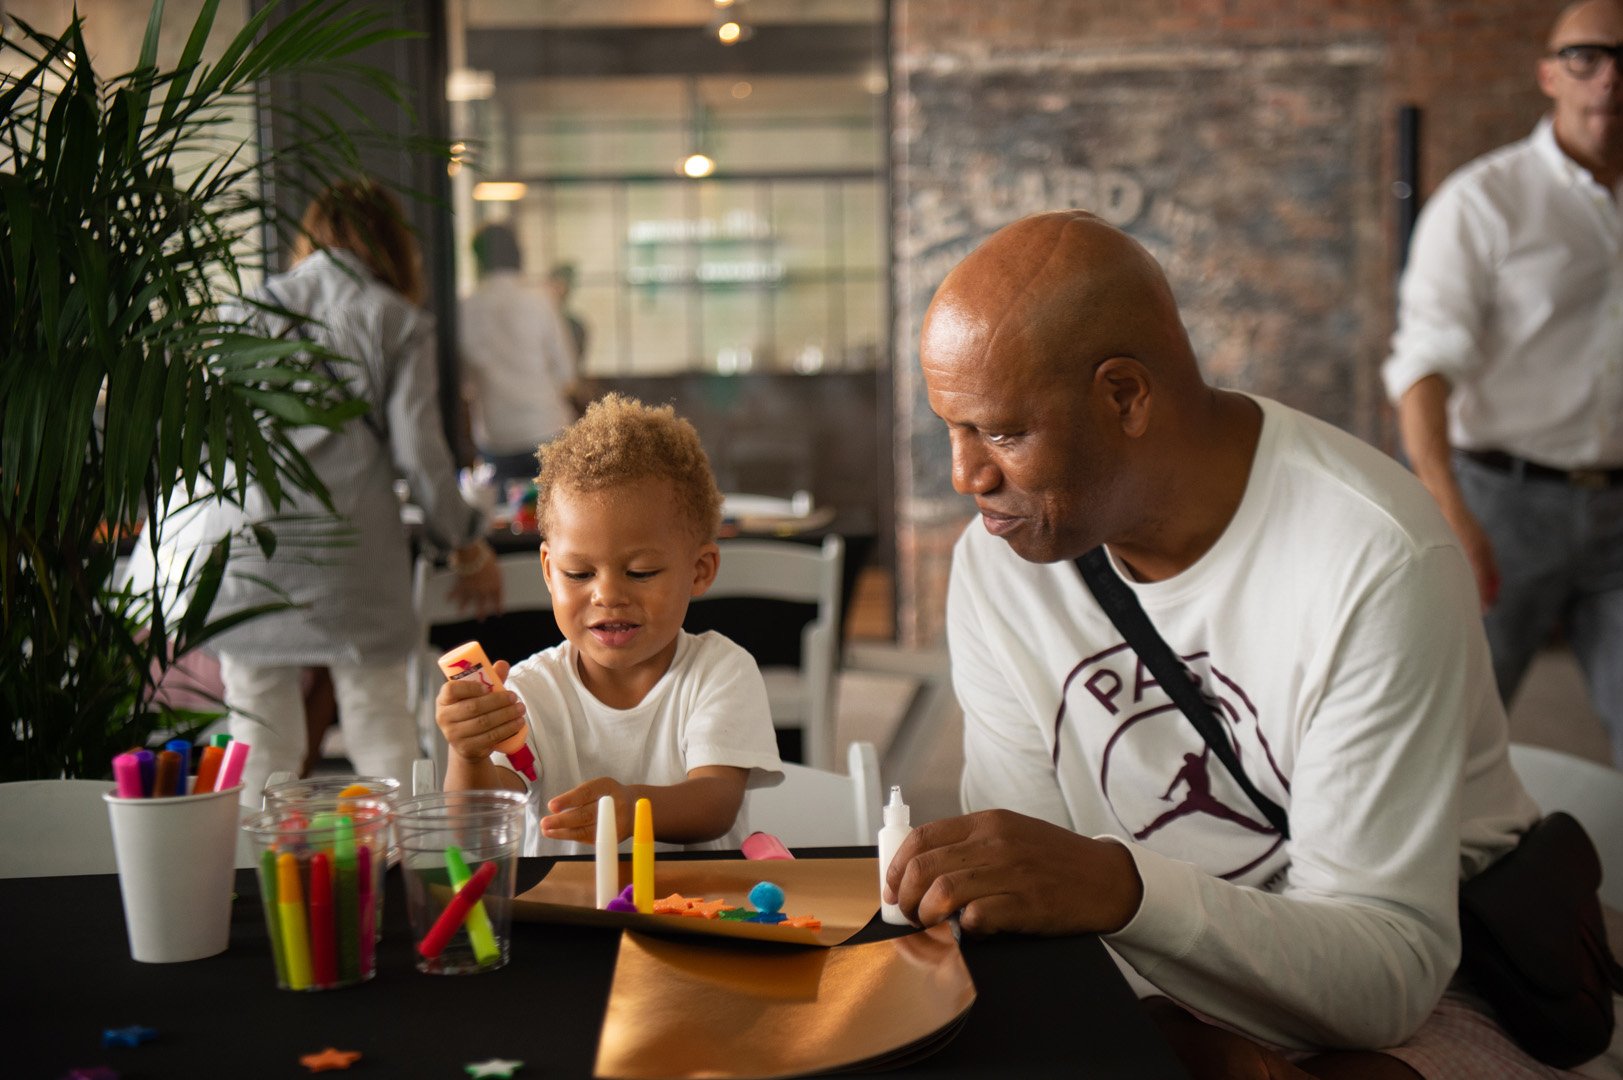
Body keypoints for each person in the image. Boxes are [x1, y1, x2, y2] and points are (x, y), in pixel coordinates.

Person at [887, 210, 1555, 1079]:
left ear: (1123, 395)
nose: (965, 476)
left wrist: (1115, 888)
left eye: (1003, 433)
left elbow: (1384, 981)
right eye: (953, 427)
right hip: (1153, 975)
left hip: (1430, 994)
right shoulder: (1001, 561)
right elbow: (1022, 891)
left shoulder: (1372, 556)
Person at [1383, 0, 1623, 766]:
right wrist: (1446, 507)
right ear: (1547, 75)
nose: (1610, 77)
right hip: (1502, 502)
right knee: (1450, 737)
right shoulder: (1482, 202)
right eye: (1585, 56)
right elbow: (1421, 364)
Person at [210, 178, 503, 806]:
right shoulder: (393, 319)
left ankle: (255, 888)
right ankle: (406, 883)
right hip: (350, 553)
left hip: (246, 548)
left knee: (258, 734)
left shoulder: (243, 311)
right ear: (392, 246)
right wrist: (465, 543)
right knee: (379, 722)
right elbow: (421, 455)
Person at [434, 393, 783, 856]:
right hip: (569, 923)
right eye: (578, 574)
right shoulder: (529, 691)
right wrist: (469, 753)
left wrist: (631, 807)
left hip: (696, 917)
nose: (607, 595)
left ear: (699, 570)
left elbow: (715, 802)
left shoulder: (720, 671)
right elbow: (476, 831)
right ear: (548, 571)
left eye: (640, 572)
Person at [458, 224, 579, 489]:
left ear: (478, 260)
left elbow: (463, 384)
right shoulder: (540, 301)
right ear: (518, 255)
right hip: (548, 428)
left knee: (505, 523)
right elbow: (567, 373)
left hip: (496, 437)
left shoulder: (465, 309)